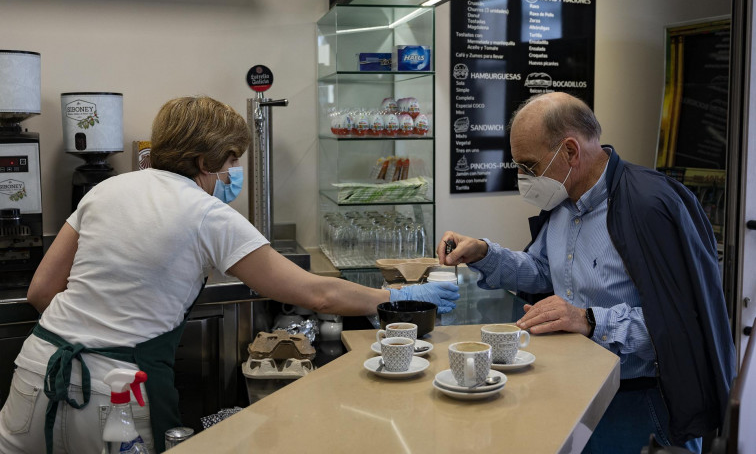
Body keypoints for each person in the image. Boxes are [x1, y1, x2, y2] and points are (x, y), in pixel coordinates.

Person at [0, 96, 459, 454]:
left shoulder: (106, 189)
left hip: (36, 371)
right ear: (207, 161)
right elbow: (316, 293)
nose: (233, 172)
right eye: (232, 159)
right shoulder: (206, 213)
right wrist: (397, 294)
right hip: (115, 394)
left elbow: (43, 290)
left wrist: (90, 332)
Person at [437, 92, 736, 454]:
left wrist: (590, 320)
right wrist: (484, 253)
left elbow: (684, 327)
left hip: (644, 403)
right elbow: (543, 272)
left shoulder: (651, 207)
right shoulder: (563, 202)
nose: (523, 178)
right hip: (578, 388)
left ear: (570, 152)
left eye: (529, 166)